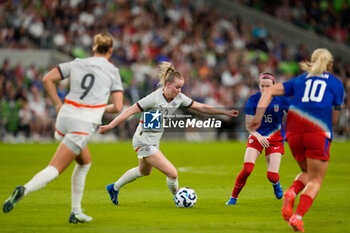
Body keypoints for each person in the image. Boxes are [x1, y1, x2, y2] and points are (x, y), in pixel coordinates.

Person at [2, 33, 124, 224]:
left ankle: (75, 212)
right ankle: (25, 189)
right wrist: (101, 108)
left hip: (64, 117)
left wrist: (58, 104)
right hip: (81, 124)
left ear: (93, 47)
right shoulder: (112, 71)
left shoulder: (76, 62)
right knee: (55, 168)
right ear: (111, 50)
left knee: (85, 162)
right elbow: (117, 106)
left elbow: (47, 79)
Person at [99, 61, 239, 205]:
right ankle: (178, 199)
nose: (179, 90)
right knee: (172, 173)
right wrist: (110, 125)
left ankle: (114, 188)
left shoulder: (179, 98)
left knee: (144, 171)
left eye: (181, 87)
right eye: (177, 87)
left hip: (153, 141)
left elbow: (201, 107)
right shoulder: (153, 98)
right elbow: (129, 111)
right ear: (167, 85)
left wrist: (223, 111)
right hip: (143, 141)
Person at [248, 48, 344, 232]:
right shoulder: (336, 84)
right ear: (330, 65)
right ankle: (297, 217)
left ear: (311, 62)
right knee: (316, 180)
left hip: (293, 133)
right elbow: (333, 119)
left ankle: (291, 192)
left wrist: (258, 116)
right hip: (317, 131)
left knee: (307, 172)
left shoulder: (299, 80)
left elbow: (268, 93)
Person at [226, 72, 290, 205]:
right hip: (257, 136)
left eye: (268, 86)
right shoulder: (253, 100)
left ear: (274, 86)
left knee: (272, 176)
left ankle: (276, 183)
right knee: (247, 170)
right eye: (262, 86)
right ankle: (233, 198)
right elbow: (248, 126)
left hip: (276, 138)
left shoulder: (282, 99)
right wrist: (259, 137)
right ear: (258, 85)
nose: (265, 89)